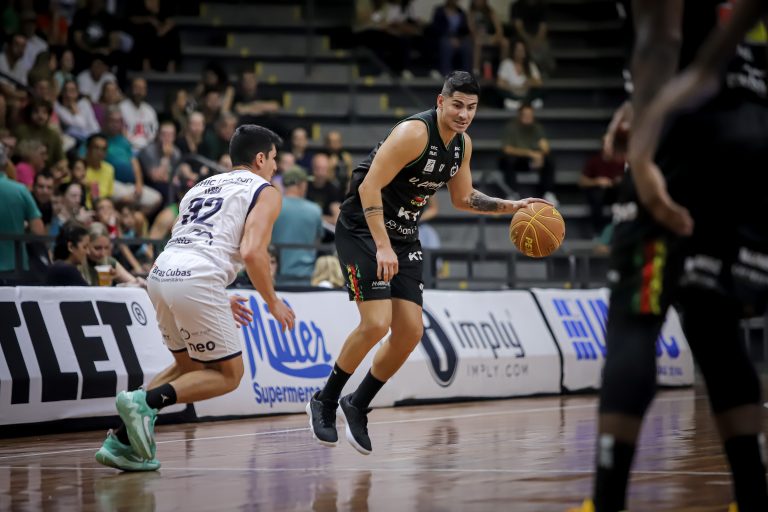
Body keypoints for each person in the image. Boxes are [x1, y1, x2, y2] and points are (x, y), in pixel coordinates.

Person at [570, 1, 768, 511]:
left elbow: (664, 39)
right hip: (750, 130)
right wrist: (646, 103)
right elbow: (712, 50)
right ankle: (752, 494)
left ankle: (607, 500)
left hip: (689, 137)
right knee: (712, 319)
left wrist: (643, 148)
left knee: (635, 316)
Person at [306, 71, 548, 454]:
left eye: (471, 108)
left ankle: (358, 403)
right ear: (440, 101)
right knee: (376, 323)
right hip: (363, 229)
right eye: (457, 105)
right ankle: (325, 399)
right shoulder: (414, 133)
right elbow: (368, 186)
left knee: (409, 332)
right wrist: (382, 246)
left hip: (403, 235)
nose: (464, 114)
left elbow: (464, 198)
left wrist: (511, 206)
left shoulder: (462, 145)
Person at [95, 124, 295, 471]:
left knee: (189, 367)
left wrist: (214, 295)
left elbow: (192, 238)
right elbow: (252, 252)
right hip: (197, 278)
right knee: (229, 375)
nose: (276, 167)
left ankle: (122, 441)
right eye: (274, 159)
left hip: (162, 273)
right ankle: (144, 401)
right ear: (261, 158)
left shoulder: (200, 186)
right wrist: (272, 301)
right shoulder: (265, 191)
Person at [271, 166, 324, 286]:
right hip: (306, 276)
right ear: (301, 185)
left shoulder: (273, 207)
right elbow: (318, 240)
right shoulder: (315, 210)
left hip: (277, 275)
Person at [46, 221, 90, 286]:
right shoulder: (67, 270)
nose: (88, 252)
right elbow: (89, 291)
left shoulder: (58, 267)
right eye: (84, 247)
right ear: (71, 247)